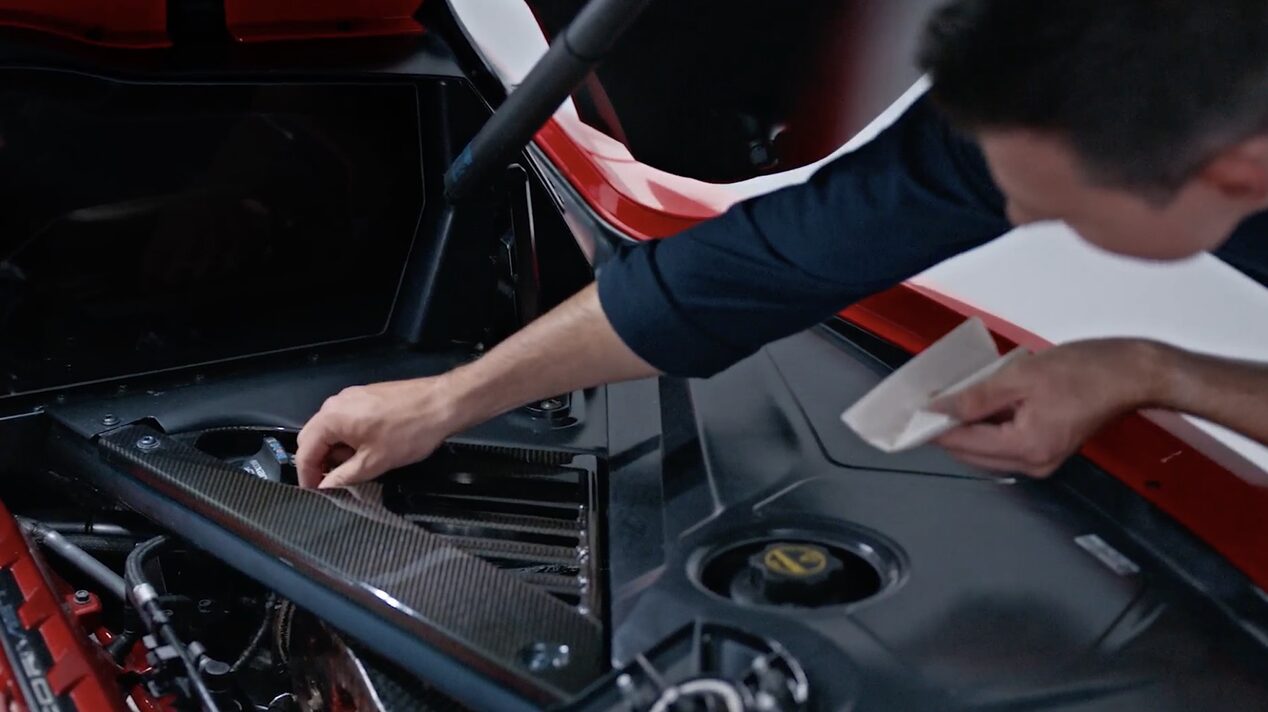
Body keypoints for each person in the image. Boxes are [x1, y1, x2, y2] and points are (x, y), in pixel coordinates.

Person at [295, 0, 1268, 488]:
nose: (1012, 213)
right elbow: (739, 271)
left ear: (1238, 172)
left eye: (1051, 212)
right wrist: (442, 401)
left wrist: (1159, 371)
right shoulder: (1056, 97)